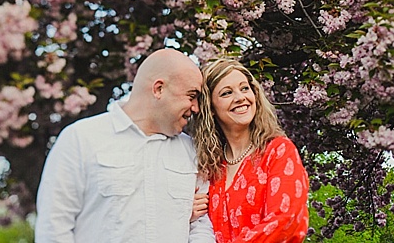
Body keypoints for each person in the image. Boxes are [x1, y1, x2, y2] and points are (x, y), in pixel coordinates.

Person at [34, 48, 215, 243]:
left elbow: (201, 227)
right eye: (191, 96)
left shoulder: (192, 151)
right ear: (159, 89)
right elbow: (54, 228)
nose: (196, 108)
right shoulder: (80, 139)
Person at [191, 57, 309, 243]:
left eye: (245, 88)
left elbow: (286, 221)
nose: (240, 98)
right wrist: (184, 215)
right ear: (211, 108)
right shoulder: (209, 166)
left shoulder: (277, 150)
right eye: (226, 93)